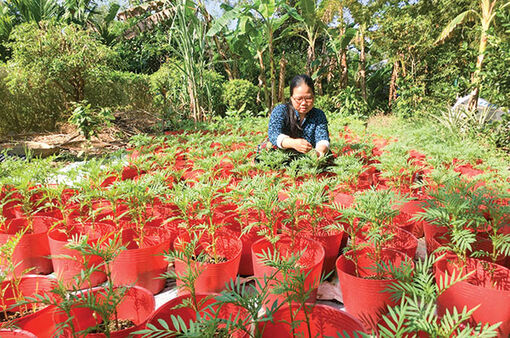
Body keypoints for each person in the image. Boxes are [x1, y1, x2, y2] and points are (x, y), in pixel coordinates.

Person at [267, 74, 330, 158]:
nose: (304, 103)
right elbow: (274, 134)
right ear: (291, 98)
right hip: (283, 154)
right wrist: (293, 143)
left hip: (309, 156)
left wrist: (319, 152)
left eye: (308, 98)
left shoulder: (318, 114)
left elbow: (322, 138)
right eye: (299, 99)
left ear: (314, 97)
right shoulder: (280, 111)